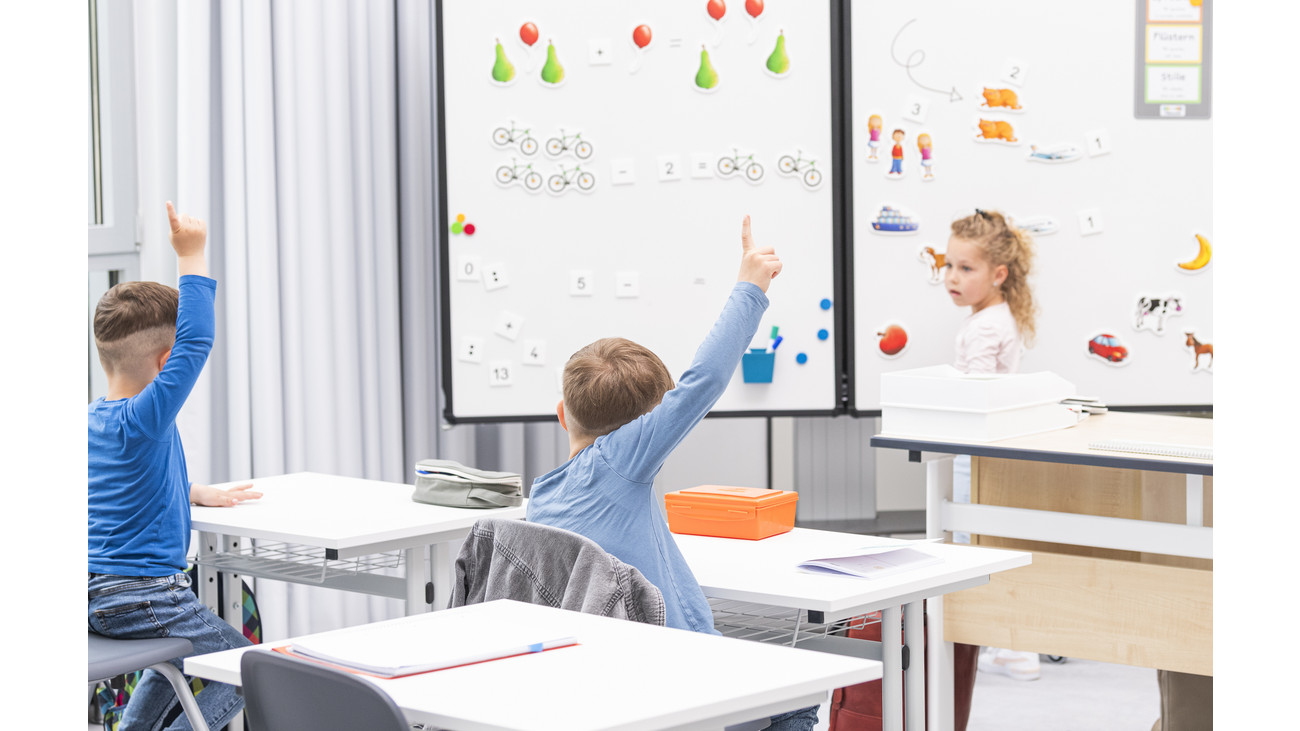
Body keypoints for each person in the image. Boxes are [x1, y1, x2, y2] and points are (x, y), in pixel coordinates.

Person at [526, 217, 817, 730]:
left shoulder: (542, 497)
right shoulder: (620, 461)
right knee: (802, 694)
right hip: (670, 680)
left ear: (561, 415)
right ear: (649, 428)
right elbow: (704, 379)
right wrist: (750, 287)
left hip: (593, 683)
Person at [89, 202, 263, 731]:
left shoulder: (91, 421)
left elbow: (113, 486)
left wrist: (187, 490)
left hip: (92, 594)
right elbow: (197, 338)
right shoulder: (146, 416)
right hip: (143, 595)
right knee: (249, 669)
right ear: (165, 364)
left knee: (174, 663)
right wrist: (191, 253)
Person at [943, 208, 1040, 725]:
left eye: (965, 268)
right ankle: (1010, 645)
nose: (952, 278)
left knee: (969, 547)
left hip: (975, 453)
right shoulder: (999, 316)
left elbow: (974, 394)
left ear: (998, 274)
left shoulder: (984, 328)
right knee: (986, 543)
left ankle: (1000, 644)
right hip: (990, 451)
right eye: (948, 266)